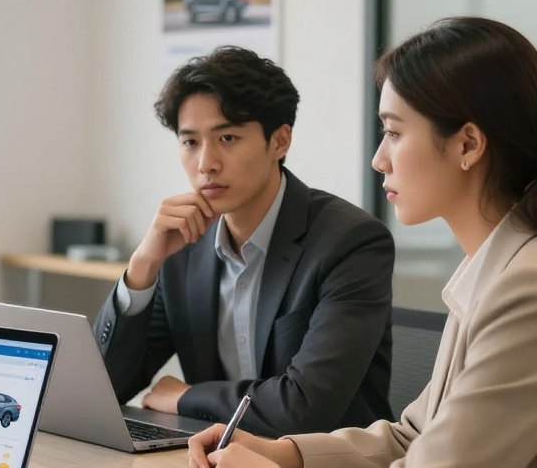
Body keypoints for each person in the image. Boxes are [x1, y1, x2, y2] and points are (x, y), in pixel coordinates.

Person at [190, 17, 537, 468]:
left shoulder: (526, 288)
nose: (379, 159)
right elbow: (411, 439)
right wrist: (283, 452)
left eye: (394, 131)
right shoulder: (494, 271)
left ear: (468, 143)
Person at [94, 46, 393, 436]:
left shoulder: (350, 242)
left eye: (228, 138)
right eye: (190, 143)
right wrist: (142, 269)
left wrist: (185, 398)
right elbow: (105, 390)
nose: (206, 163)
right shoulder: (182, 246)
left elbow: (303, 409)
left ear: (280, 141)